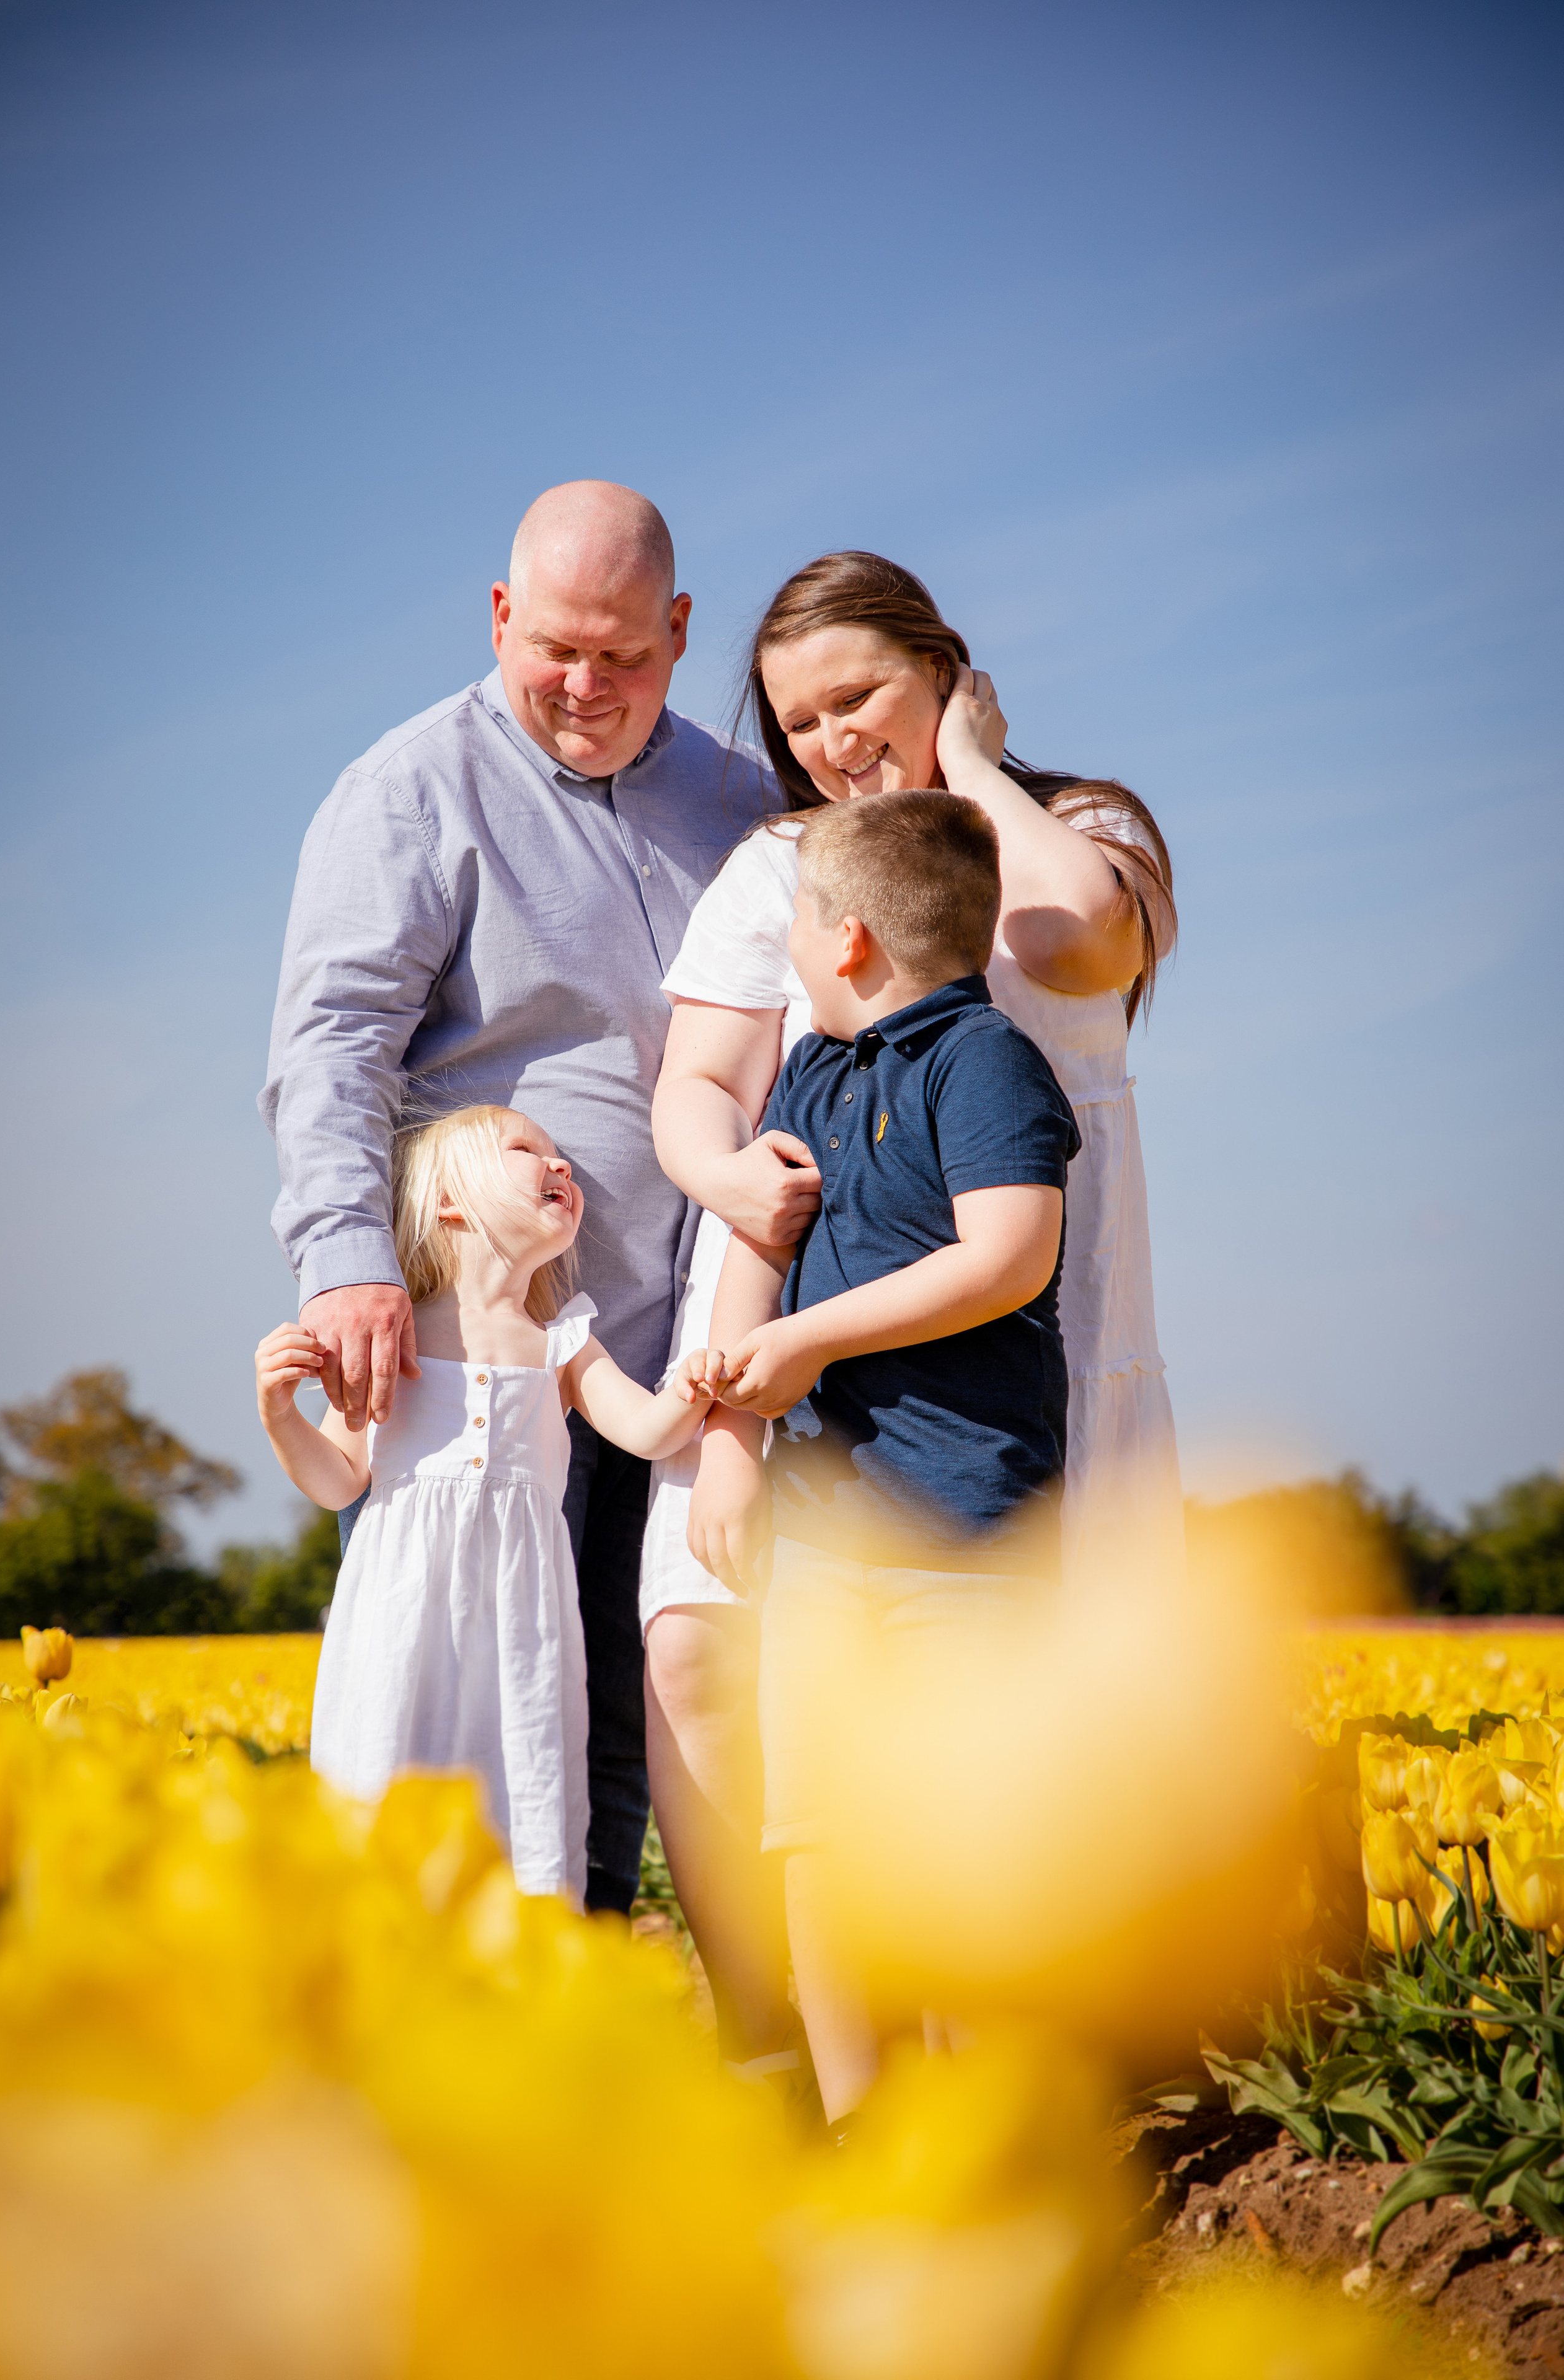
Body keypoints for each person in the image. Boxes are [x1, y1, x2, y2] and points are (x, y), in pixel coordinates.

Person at [641, 549, 1178, 2048]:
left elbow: (1074, 936)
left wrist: (976, 773)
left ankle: (1051, 2058)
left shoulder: (1075, 826)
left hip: (1041, 1316)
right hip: (811, 1287)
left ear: (941, 665)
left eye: (857, 694)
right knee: (722, 1662)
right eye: (795, 719)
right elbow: (706, 1082)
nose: (829, 741)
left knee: (1036, 1702)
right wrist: (721, 1182)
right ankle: (799, 2055)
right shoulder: (788, 871)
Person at [259, 480, 769, 1917]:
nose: (585, 685)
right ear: (498, 616)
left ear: (679, 633)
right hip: (469, 1362)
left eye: (624, 653)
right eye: (553, 647)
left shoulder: (740, 800)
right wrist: (348, 1259)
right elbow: (331, 1043)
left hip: (682, 1346)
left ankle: (582, 2029)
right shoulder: (409, 790)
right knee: (440, 1713)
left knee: (612, 1716)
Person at [694, 790, 1079, 2121]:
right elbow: (762, 1246)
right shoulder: (807, 1068)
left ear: (845, 938)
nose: (791, 945)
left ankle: (985, 2135)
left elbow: (1008, 1254)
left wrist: (806, 1343)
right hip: (818, 1529)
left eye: (796, 920)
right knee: (816, 1832)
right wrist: (735, 1440)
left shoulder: (984, 1061)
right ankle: (860, 2129)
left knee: (969, 1836)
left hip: (965, 1523)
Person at [254, 1104, 723, 1903]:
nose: (562, 1166)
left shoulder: (564, 1337)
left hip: (521, 1620)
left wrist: (690, 1385)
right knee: (389, 1758)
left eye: (562, 1156)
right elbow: (338, 1477)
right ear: (446, 1199)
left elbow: (644, 1430)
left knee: (521, 1772)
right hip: (401, 1612)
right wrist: (276, 1412)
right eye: (527, 1150)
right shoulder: (389, 1330)